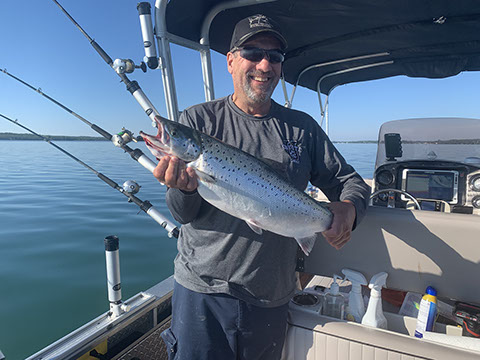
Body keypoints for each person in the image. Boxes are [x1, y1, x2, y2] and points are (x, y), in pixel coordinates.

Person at [154, 14, 370, 360]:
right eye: (252, 53)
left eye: (275, 57)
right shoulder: (198, 121)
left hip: (271, 295)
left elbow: (349, 182)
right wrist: (182, 188)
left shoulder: (302, 128)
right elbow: (183, 214)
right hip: (203, 292)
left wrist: (349, 208)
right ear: (230, 61)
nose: (264, 65)